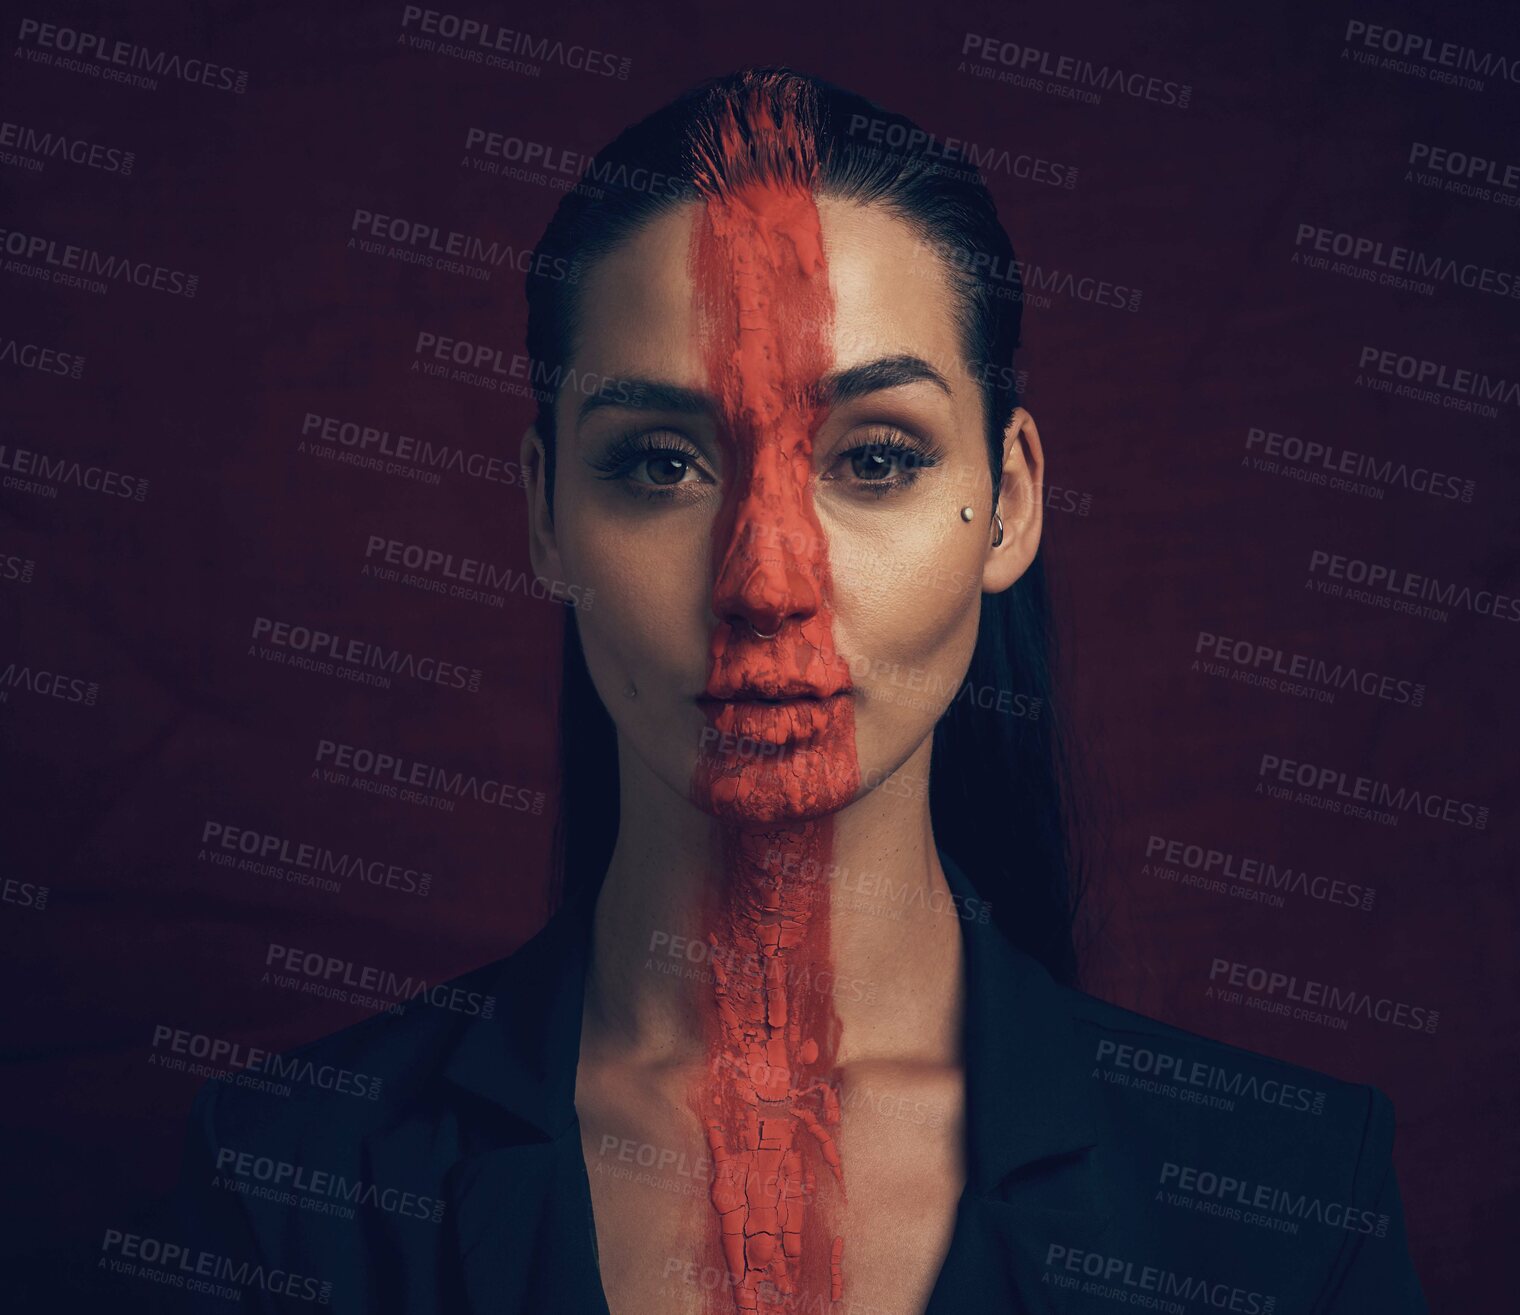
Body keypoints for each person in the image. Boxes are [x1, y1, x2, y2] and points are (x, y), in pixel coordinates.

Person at [125, 67, 1426, 1314]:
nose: (765, 578)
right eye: (658, 465)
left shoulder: (1285, 1205)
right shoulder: (290, 1193)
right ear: (544, 515)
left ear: (1009, 502)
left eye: (873, 456)